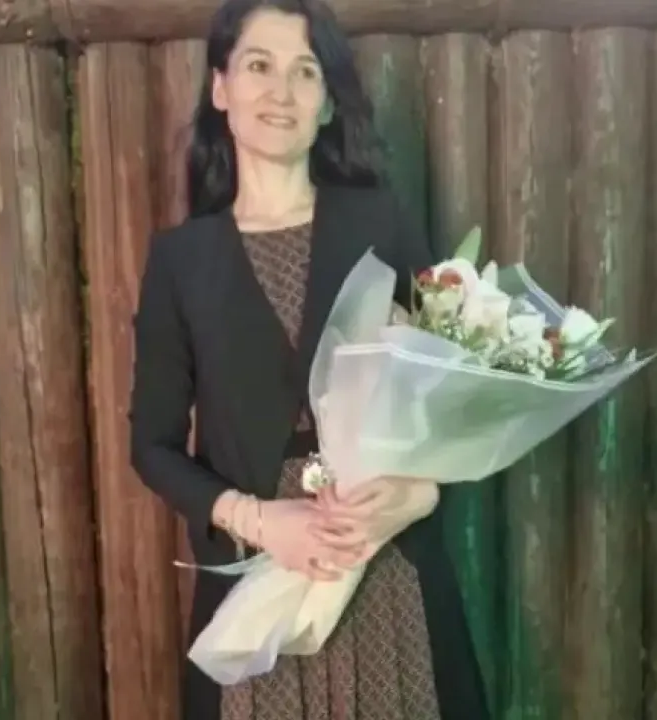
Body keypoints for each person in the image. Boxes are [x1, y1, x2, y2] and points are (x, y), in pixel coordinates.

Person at [129, 1, 489, 718]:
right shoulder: (180, 261)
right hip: (258, 584)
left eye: (305, 72)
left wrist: (418, 495)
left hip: (387, 565)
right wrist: (262, 522)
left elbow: (455, 385)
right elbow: (153, 447)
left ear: (326, 104)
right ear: (221, 87)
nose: (281, 91)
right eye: (259, 66)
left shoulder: (379, 219)